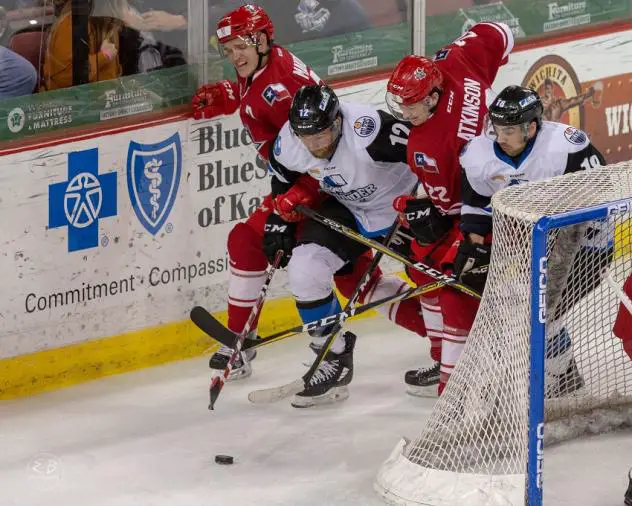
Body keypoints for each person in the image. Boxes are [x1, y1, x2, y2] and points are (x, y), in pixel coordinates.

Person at [191, 4, 427, 380]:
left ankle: (240, 340)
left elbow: (320, 148)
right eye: (229, 49)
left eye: (241, 46)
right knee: (354, 279)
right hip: (308, 183)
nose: (235, 56)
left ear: (263, 40)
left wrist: (299, 192)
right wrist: (226, 94)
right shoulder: (264, 68)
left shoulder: (281, 86)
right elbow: (262, 99)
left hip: (322, 187)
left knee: (250, 241)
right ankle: (441, 343)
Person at [266, 84, 418, 407]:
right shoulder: (294, 138)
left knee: (435, 280)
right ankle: (333, 358)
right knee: (305, 267)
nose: (314, 145)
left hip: (402, 205)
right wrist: (279, 213)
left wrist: (426, 201)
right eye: (306, 138)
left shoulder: (367, 129)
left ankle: (451, 352)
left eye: (320, 135)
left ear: (338, 121)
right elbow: (280, 172)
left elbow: (424, 153)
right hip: (348, 207)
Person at [385, 21, 514, 396]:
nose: (404, 110)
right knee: (425, 265)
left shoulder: (428, 144)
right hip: (520, 164)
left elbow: (453, 207)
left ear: (431, 95)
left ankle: (466, 372)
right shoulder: (454, 61)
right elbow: (498, 32)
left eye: (411, 103)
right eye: (401, 100)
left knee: (441, 274)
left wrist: (417, 208)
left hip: (492, 206)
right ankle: (449, 360)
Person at [458, 85, 608, 397]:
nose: (501, 137)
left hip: (588, 244)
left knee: (539, 310)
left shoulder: (566, 146)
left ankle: (561, 377)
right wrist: (474, 244)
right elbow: (476, 203)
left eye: (510, 130)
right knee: (532, 308)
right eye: (498, 128)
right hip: (541, 246)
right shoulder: (479, 155)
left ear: (532, 127)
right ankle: (564, 376)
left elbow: (602, 189)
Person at [44, 0, 123, 90]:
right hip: (71, 100)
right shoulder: (71, 24)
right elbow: (65, 76)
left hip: (106, 97)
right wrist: (103, 56)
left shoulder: (108, 23)